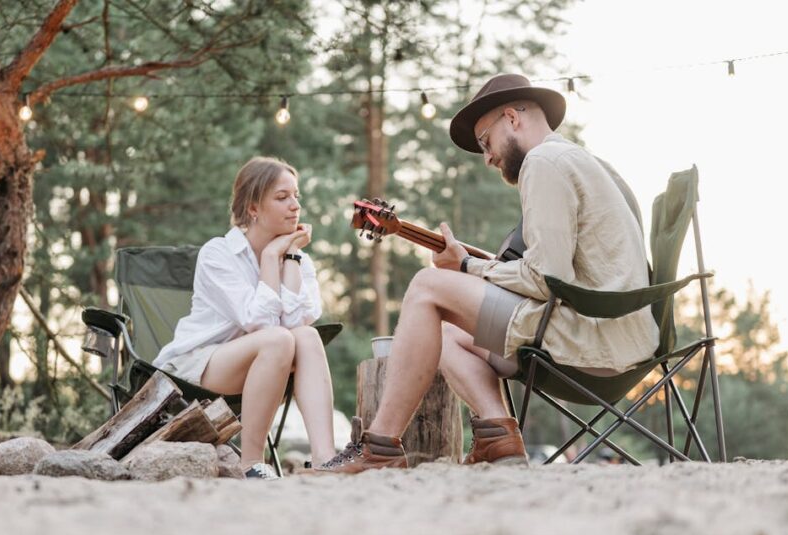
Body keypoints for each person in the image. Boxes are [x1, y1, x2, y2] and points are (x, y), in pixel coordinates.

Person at [319, 73, 658, 473]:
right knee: (446, 332)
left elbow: (547, 280)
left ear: (512, 118)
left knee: (428, 286)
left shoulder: (543, 162)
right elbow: (559, 271)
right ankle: (498, 435)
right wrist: (478, 269)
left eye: (485, 142)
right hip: (619, 336)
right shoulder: (582, 161)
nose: (488, 157)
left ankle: (378, 447)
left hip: (592, 340)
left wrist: (466, 266)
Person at [153, 157, 336, 479]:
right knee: (277, 338)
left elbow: (297, 323)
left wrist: (289, 256)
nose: (295, 206)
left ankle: (325, 459)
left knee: (307, 336)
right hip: (198, 369)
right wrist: (269, 258)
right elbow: (261, 324)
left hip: (265, 364)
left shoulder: (299, 258)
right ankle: (251, 463)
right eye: (282, 197)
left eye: (297, 196)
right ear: (253, 208)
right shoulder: (218, 253)